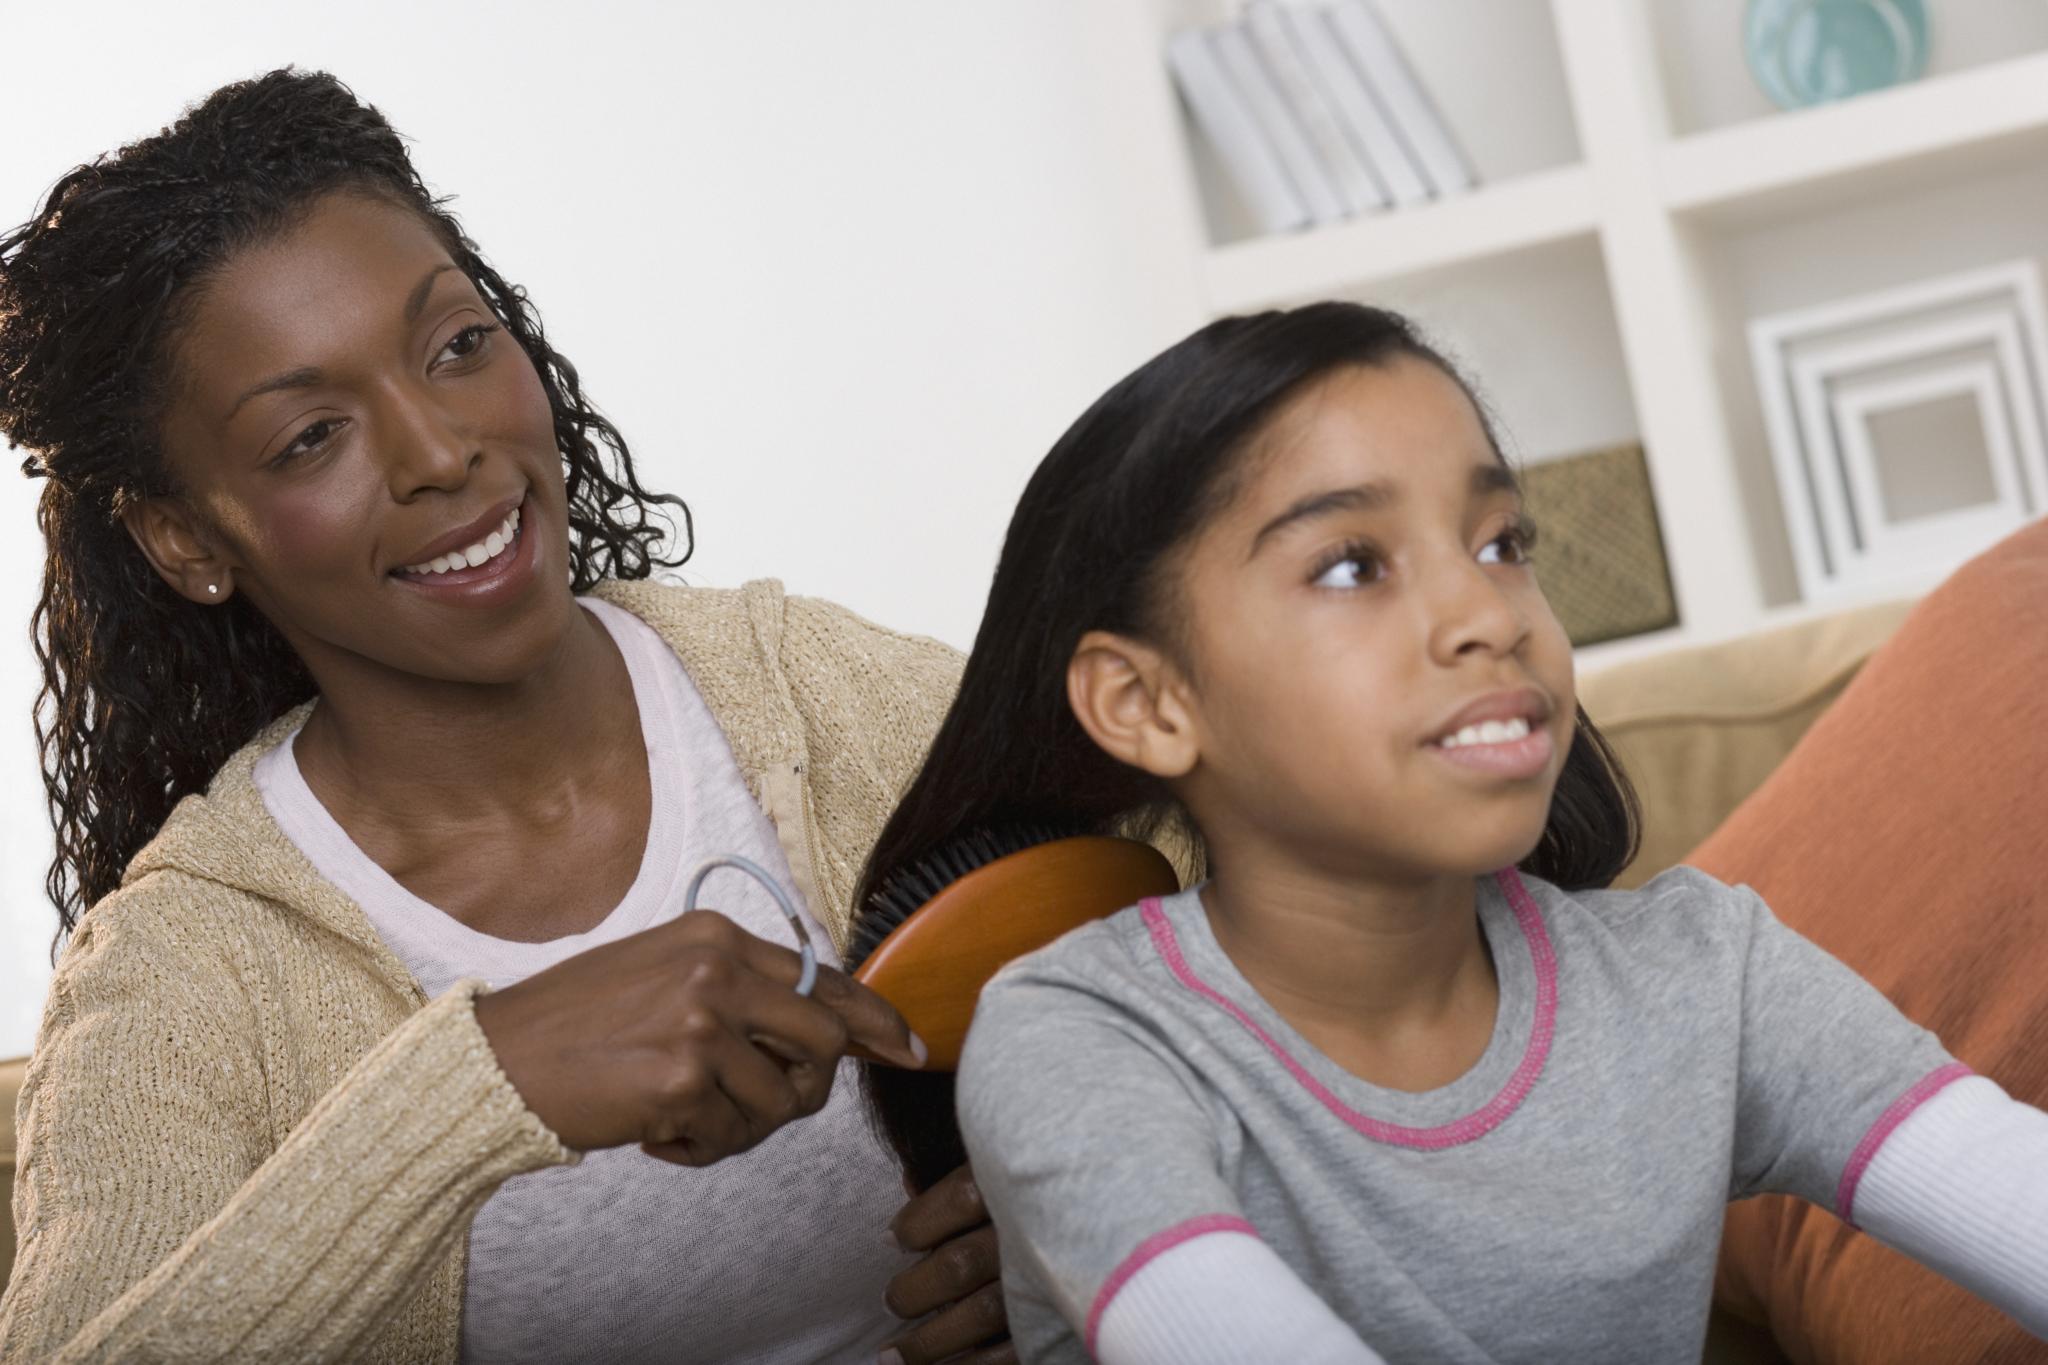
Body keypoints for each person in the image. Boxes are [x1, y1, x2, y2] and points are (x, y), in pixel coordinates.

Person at [0, 69, 1010, 1364]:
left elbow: (1245, 949)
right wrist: (481, 1089)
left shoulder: (812, 687)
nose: (439, 449)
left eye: (458, 344)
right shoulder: (186, 971)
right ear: (187, 536)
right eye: (313, 435)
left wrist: (1074, 1226)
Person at [860, 303, 2048, 1363]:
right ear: (1147, 702)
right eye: (1350, 566)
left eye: (1500, 544)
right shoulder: (1078, 1036)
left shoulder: (1703, 974)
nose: (1485, 612)